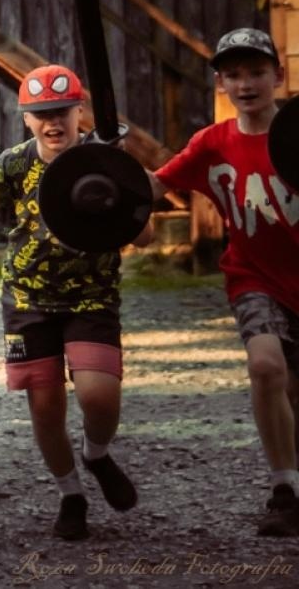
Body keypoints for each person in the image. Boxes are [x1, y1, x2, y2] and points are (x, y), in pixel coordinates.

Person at [0, 64, 147, 542]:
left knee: (98, 395)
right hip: (28, 299)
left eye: (62, 111)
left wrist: (124, 180)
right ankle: (71, 493)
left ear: (79, 111)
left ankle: (96, 453)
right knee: (46, 407)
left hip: (91, 297)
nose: (53, 122)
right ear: (27, 119)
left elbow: (146, 233)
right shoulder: (15, 161)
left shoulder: (104, 158)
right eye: (41, 114)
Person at [148, 28, 299, 536]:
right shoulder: (212, 144)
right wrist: (105, 163)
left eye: (257, 71)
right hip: (253, 277)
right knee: (265, 366)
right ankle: (285, 489)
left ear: (278, 76)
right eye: (234, 75)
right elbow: (152, 187)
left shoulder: (298, 130)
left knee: (294, 395)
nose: (247, 83)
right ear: (220, 84)